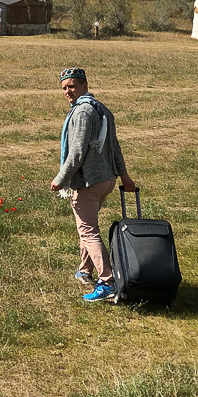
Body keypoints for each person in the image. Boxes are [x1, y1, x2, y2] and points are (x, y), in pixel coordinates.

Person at [50, 67, 136, 303]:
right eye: (65, 88)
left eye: (72, 86)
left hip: (89, 181)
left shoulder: (82, 112)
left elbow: (77, 152)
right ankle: (84, 270)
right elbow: (114, 147)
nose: (68, 91)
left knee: (88, 231)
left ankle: (107, 281)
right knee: (86, 226)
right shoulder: (102, 108)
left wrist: (61, 178)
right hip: (106, 179)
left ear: (84, 86)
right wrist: (124, 175)